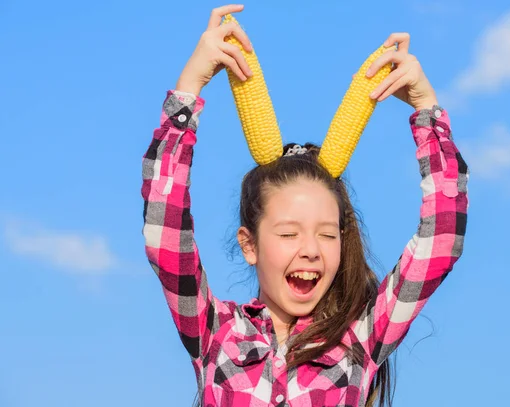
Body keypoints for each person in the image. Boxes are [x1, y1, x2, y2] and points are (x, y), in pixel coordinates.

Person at [141, 4, 469, 407]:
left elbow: (442, 237)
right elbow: (165, 231)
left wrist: (426, 111)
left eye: (327, 233)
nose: (311, 249)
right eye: (289, 232)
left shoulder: (361, 338)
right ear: (249, 244)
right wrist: (188, 90)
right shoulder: (215, 332)